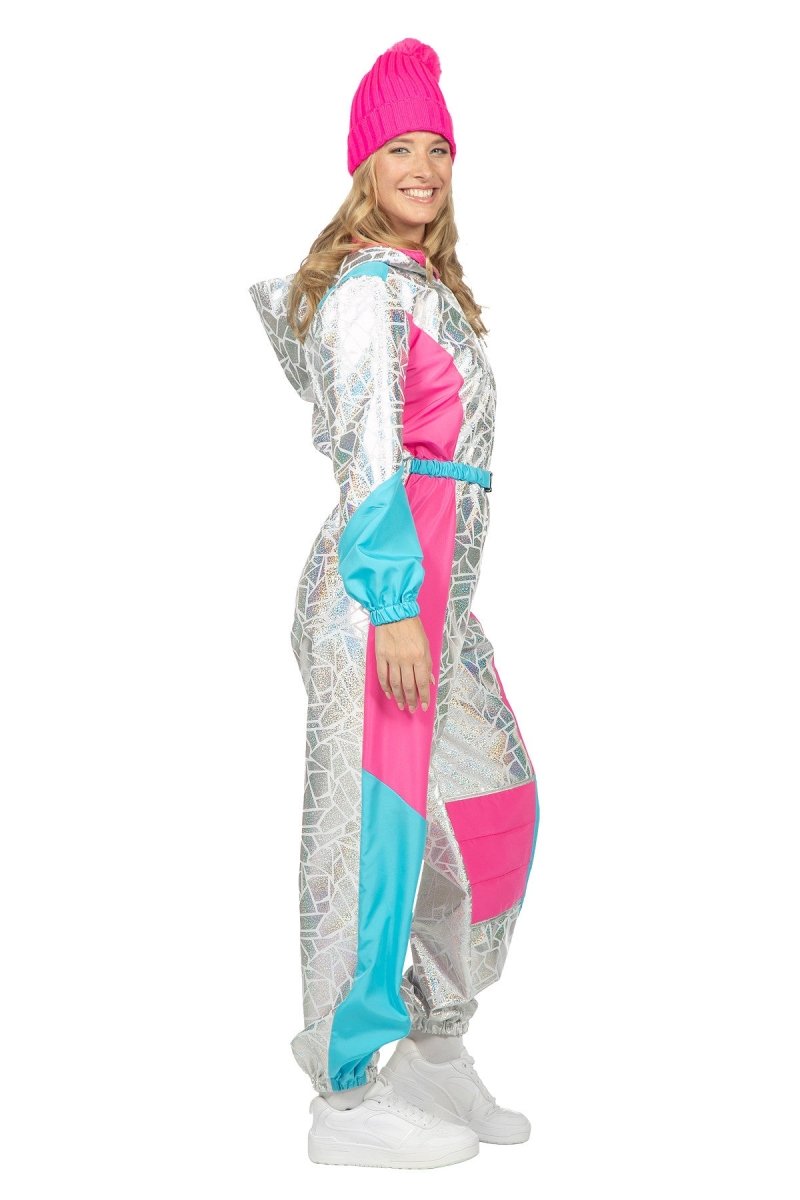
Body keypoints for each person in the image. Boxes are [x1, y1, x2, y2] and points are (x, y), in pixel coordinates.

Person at [249, 36, 541, 1170]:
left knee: (494, 806)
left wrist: (433, 614)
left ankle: (434, 1043)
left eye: (438, 150)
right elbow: (369, 457)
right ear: (363, 169)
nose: (423, 168)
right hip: (381, 603)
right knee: (371, 845)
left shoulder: (428, 288)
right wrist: (395, 606)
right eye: (399, 150)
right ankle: (345, 1092)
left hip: (438, 611)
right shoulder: (368, 291)